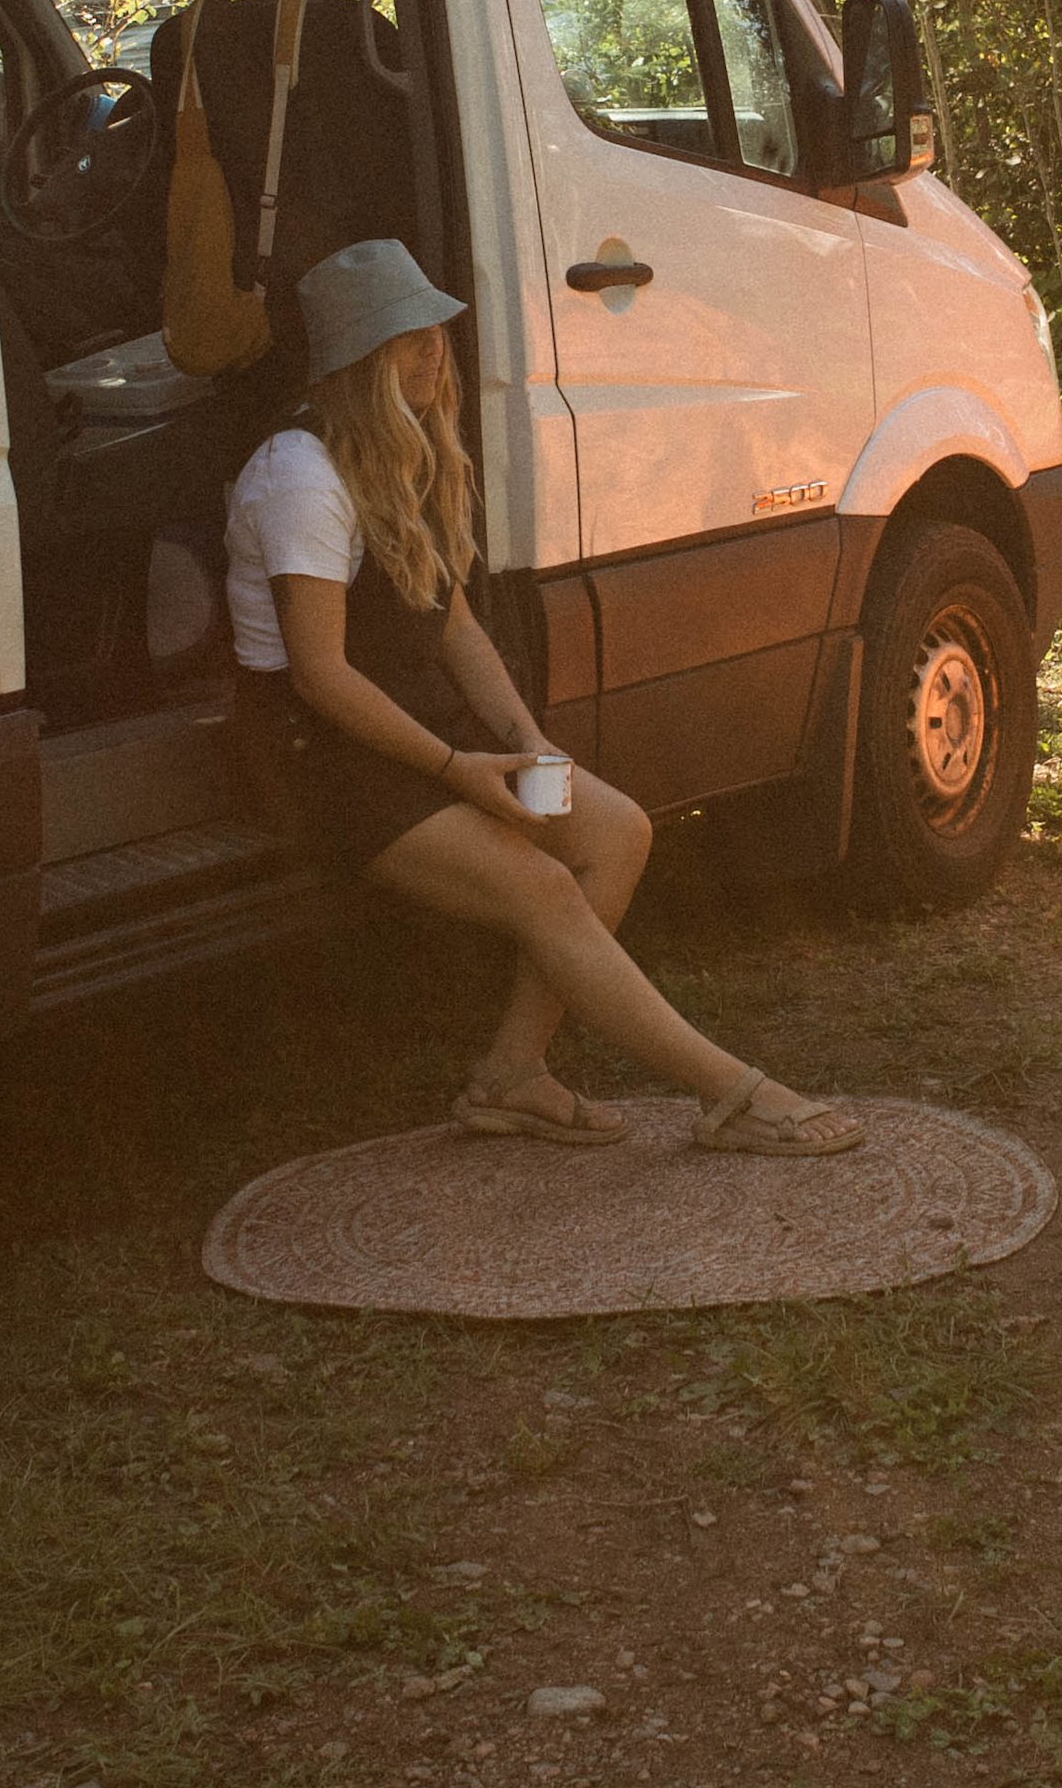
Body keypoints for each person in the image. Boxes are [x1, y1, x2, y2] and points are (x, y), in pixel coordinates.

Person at [226, 238, 862, 1155]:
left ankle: (512, 1076)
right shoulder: (301, 475)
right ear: (358, 362)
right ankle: (733, 1094)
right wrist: (461, 769)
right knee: (543, 889)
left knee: (617, 832)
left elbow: (452, 628)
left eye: (436, 330)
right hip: (324, 758)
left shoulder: (401, 453)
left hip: (427, 738)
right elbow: (322, 676)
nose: (435, 350)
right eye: (407, 339)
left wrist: (528, 740)